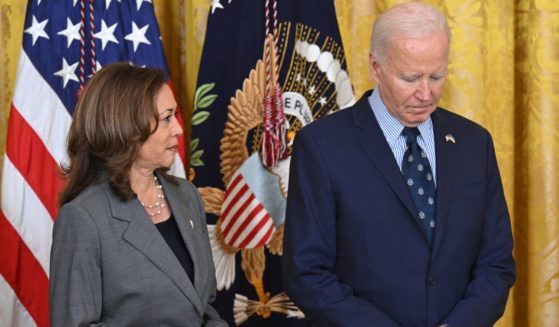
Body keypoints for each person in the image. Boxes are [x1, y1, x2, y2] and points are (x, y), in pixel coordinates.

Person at [283, 2, 515, 327]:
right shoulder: (322, 147)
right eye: (410, 78)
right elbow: (306, 273)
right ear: (376, 67)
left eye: (437, 76)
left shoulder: (474, 144)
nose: (425, 93)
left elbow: (497, 263)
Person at [49, 63, 227, 326]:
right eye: (167, 118)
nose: (178, 129)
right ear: (128, 128)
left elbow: (203, 307)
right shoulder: (83, 218)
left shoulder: (186, 195)